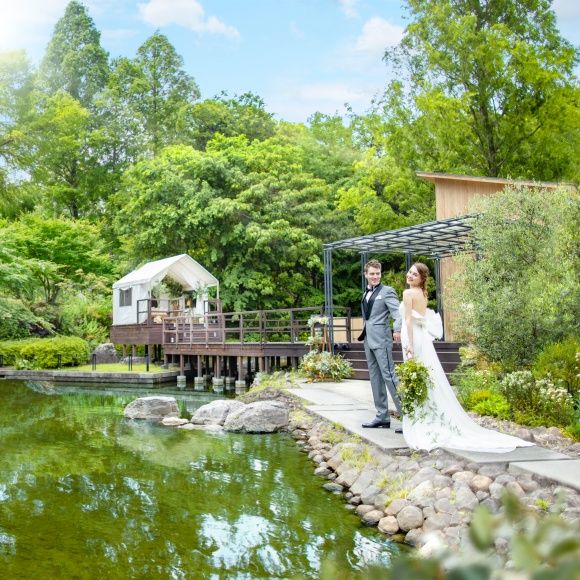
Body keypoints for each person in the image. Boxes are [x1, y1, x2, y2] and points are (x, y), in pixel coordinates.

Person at [400, 262, 534, 452]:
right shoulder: (422, 293)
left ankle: (422, 419)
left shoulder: (408, 293)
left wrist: (410, 346)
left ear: (422, 279)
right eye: (410, 272)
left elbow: (408, 320)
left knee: (417, 376)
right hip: (422, 337)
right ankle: (428, 415)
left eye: (414, 274)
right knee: (425, 376)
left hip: (413, 337)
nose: (410, 275)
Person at [358, 259, 403, 430]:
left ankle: (408, 417)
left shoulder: (387, 291)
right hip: (368, 340)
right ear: (366, 275)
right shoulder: (365, 293)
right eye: (372, 274)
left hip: (382, 340)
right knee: (375, 378)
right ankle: (382, 416)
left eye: (378, 273)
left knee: (389, 377)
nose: (375, 276)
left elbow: (397, 314)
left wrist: (397, 330)